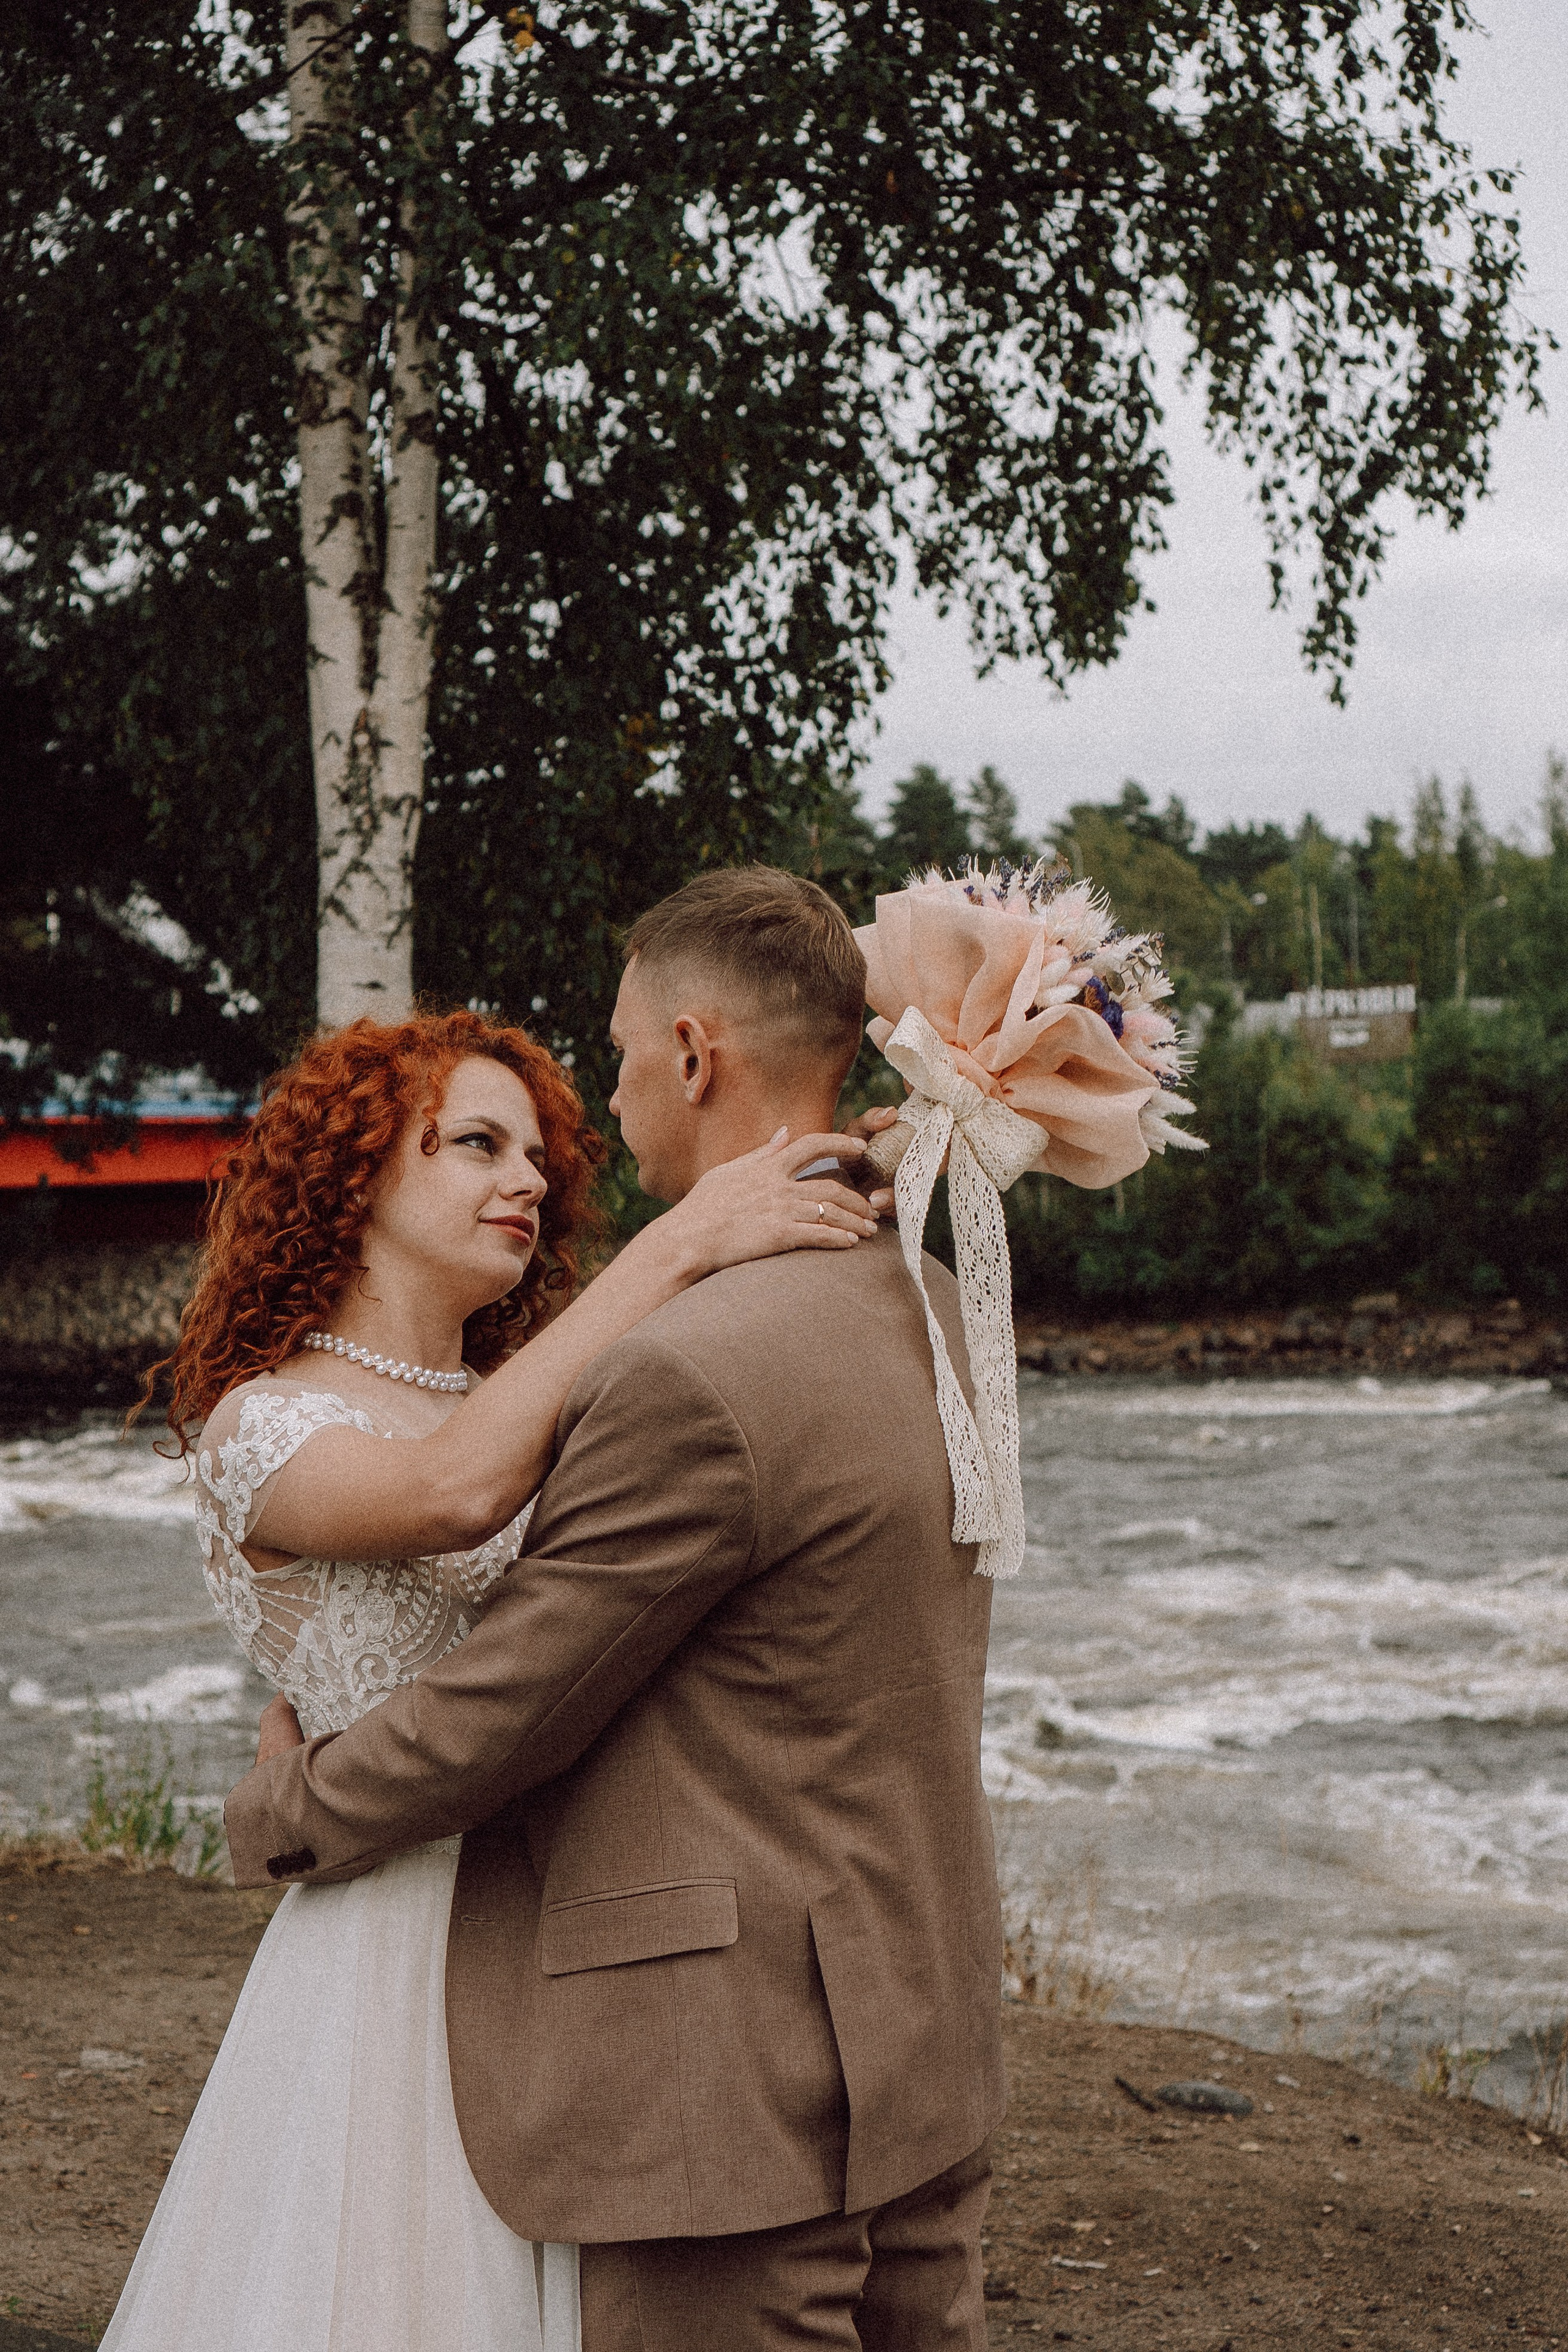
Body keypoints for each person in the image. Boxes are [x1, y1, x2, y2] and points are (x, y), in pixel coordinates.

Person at [223, 865, 1006, 2352]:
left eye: (624, 1048)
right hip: (915, 2027)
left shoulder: (681, 1369)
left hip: (728, 2088)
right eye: (477, 1143)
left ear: (697, 1054)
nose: (607, 1097)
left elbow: (508, 1698)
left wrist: (278, 1808)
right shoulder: (939, 1304)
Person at [102, 990, 886, 2352]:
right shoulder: (265, 1417)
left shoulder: (543, 1394)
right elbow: (444, 1495)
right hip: (393, 1945)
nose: (523, 1178)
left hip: (578, 1927)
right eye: (474, 1144)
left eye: (535, 1156)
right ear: (357, 1169)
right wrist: (681, 1242)